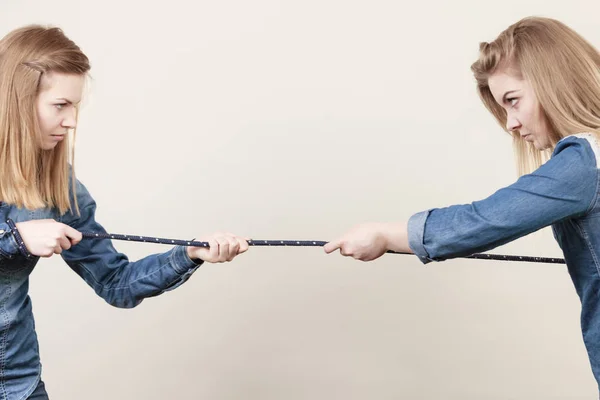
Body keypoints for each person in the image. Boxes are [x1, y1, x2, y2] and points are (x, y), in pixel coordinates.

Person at [324, 16, 600, 390]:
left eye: (513, 101)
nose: (511, 124)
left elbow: (487, 220)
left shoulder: (583, 163)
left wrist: (384, 234)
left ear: (555, 82)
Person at [0, 25, 249, 399]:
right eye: (60, 106)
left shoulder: (59, 188)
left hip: (20, 385)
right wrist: (14, 238)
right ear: (18, 100)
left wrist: (190, 254)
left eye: (75, 107)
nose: (71, 121)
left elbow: (117, 284)